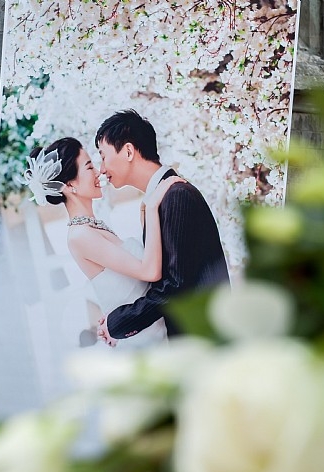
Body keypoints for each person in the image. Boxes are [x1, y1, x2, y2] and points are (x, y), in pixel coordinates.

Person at [24, 137, 184, 348]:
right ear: (70, 185)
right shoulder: (81, 236)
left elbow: (123, 286)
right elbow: (149, 272)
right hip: (146, 345)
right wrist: (152, 207)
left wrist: (146, 211)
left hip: (153, 331)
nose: (98, 172)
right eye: (89, 167)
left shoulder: (93, 227)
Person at [94, 110, 230, 346]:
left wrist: (118, 323)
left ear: (128, 151)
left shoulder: (176, 196)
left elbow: (175, 286)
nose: (101, 169)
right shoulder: (160, 199)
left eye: (103, 156)